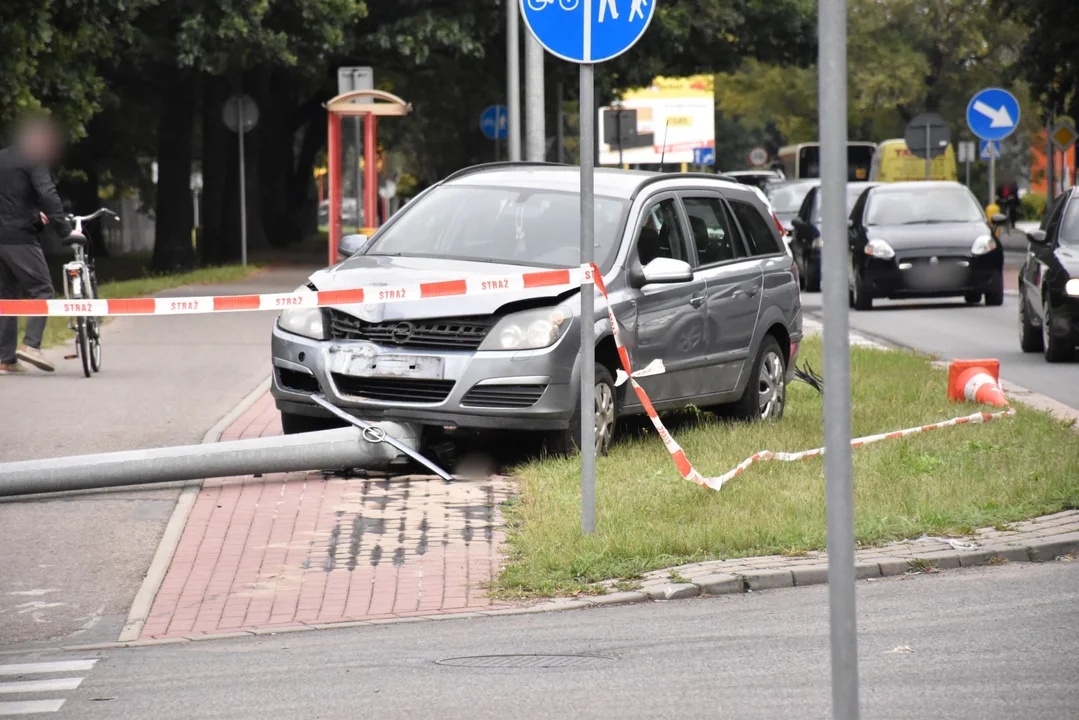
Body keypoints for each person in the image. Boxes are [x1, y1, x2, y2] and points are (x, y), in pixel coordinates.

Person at [0, 114, 72, 374]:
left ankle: (6, 359)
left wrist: (32, 215)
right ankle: (31, 345)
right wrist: (64, 231)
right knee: (42, 290)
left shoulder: (3, 158)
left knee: (5, 299)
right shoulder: (34, 160)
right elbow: (47, 194)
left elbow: (10, 200)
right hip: (19, 238)